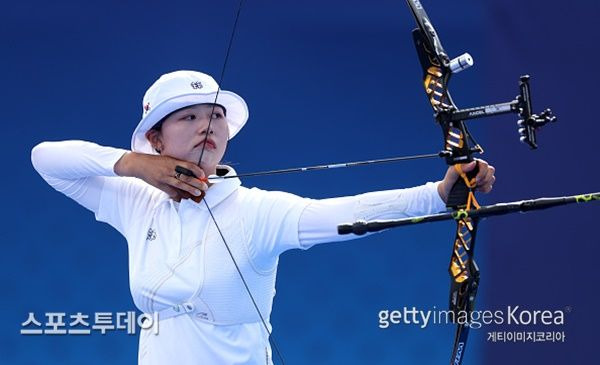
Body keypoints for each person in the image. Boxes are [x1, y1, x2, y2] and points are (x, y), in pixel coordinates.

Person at [31, 70, 495, 364]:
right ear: (156, 140)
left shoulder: (255, 211)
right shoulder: (136, 200)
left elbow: (345, 215)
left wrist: (436, 195)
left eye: (215, 116)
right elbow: (45, 158)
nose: (207, 126)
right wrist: (133, 165)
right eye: (187, 118)